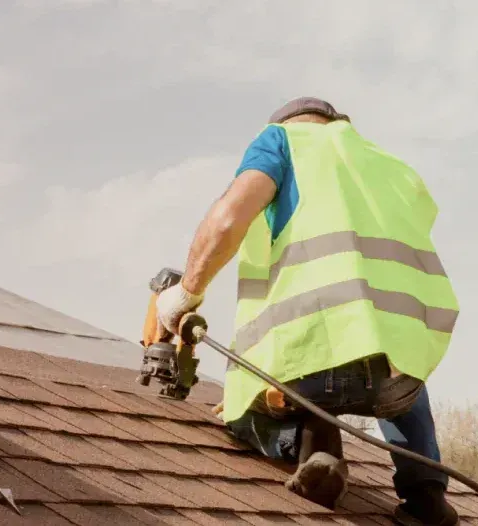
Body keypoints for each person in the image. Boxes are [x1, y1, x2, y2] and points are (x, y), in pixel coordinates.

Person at [155, 97, 461, 526]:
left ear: (290, 124)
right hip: (402, 372)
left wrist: (186, 294)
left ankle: (320, 453)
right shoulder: (386, 164)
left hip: (317, 366)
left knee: (247, 410)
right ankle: (427, 494)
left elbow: (227, 221)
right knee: (398, 372)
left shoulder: (281, 141)